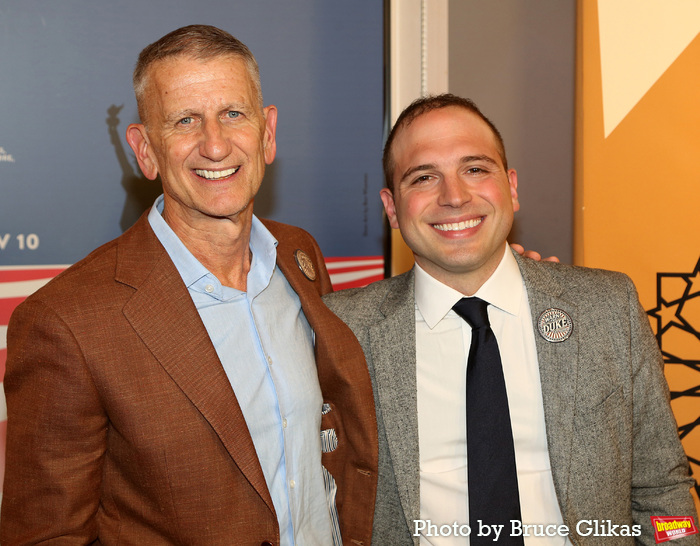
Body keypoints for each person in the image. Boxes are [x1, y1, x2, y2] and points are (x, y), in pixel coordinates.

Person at [0, 25, 378, 545]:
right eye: (184, 121)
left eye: (233, 114)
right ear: (145, 149)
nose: (216, 144)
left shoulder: (299, 257)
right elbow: (47, 535)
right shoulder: (66, 323)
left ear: (267, 134)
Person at [323, 94, 699, 545]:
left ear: (512, 187)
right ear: (391, 208)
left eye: (476, 169)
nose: (455, 196)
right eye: (424, 177)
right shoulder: (339, 330)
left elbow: (663, 490)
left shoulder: (607, 307)